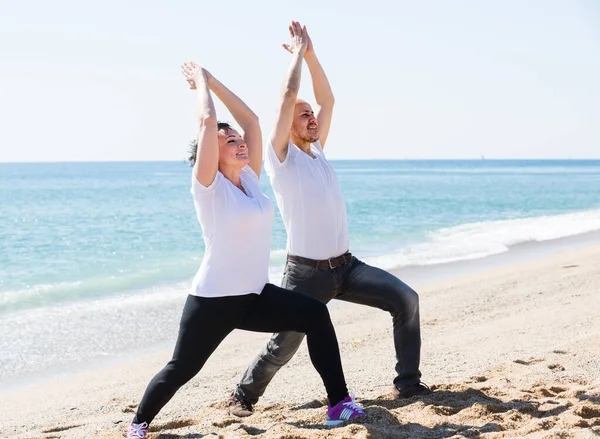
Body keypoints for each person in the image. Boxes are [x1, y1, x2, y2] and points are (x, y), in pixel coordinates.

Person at [124, 57, 364, 438]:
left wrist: (215, 80)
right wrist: (201, 85)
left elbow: (252, 120)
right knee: (182, 369)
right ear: (211, 155)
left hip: (254, 296)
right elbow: (206, 123)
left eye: (238, 140)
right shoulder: (208, 188)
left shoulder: (249, 180)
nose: (239, 142)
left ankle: (338, 404)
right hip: (213, 301)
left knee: (315, 316)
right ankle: (137, 425)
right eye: (229, 141)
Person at [228, 21, 430, 418]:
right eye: (303, 116)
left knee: (406, 300)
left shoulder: (318, 152)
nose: (311, 118)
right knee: (284, 344)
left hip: (347, 267)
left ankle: (408, 383)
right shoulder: (281, 159)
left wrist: (314, 55)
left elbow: (330, 100)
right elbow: (288, 95)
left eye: (311, 114)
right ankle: (243, 396)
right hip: (306, 275)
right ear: (287, 125)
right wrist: (298, 56)